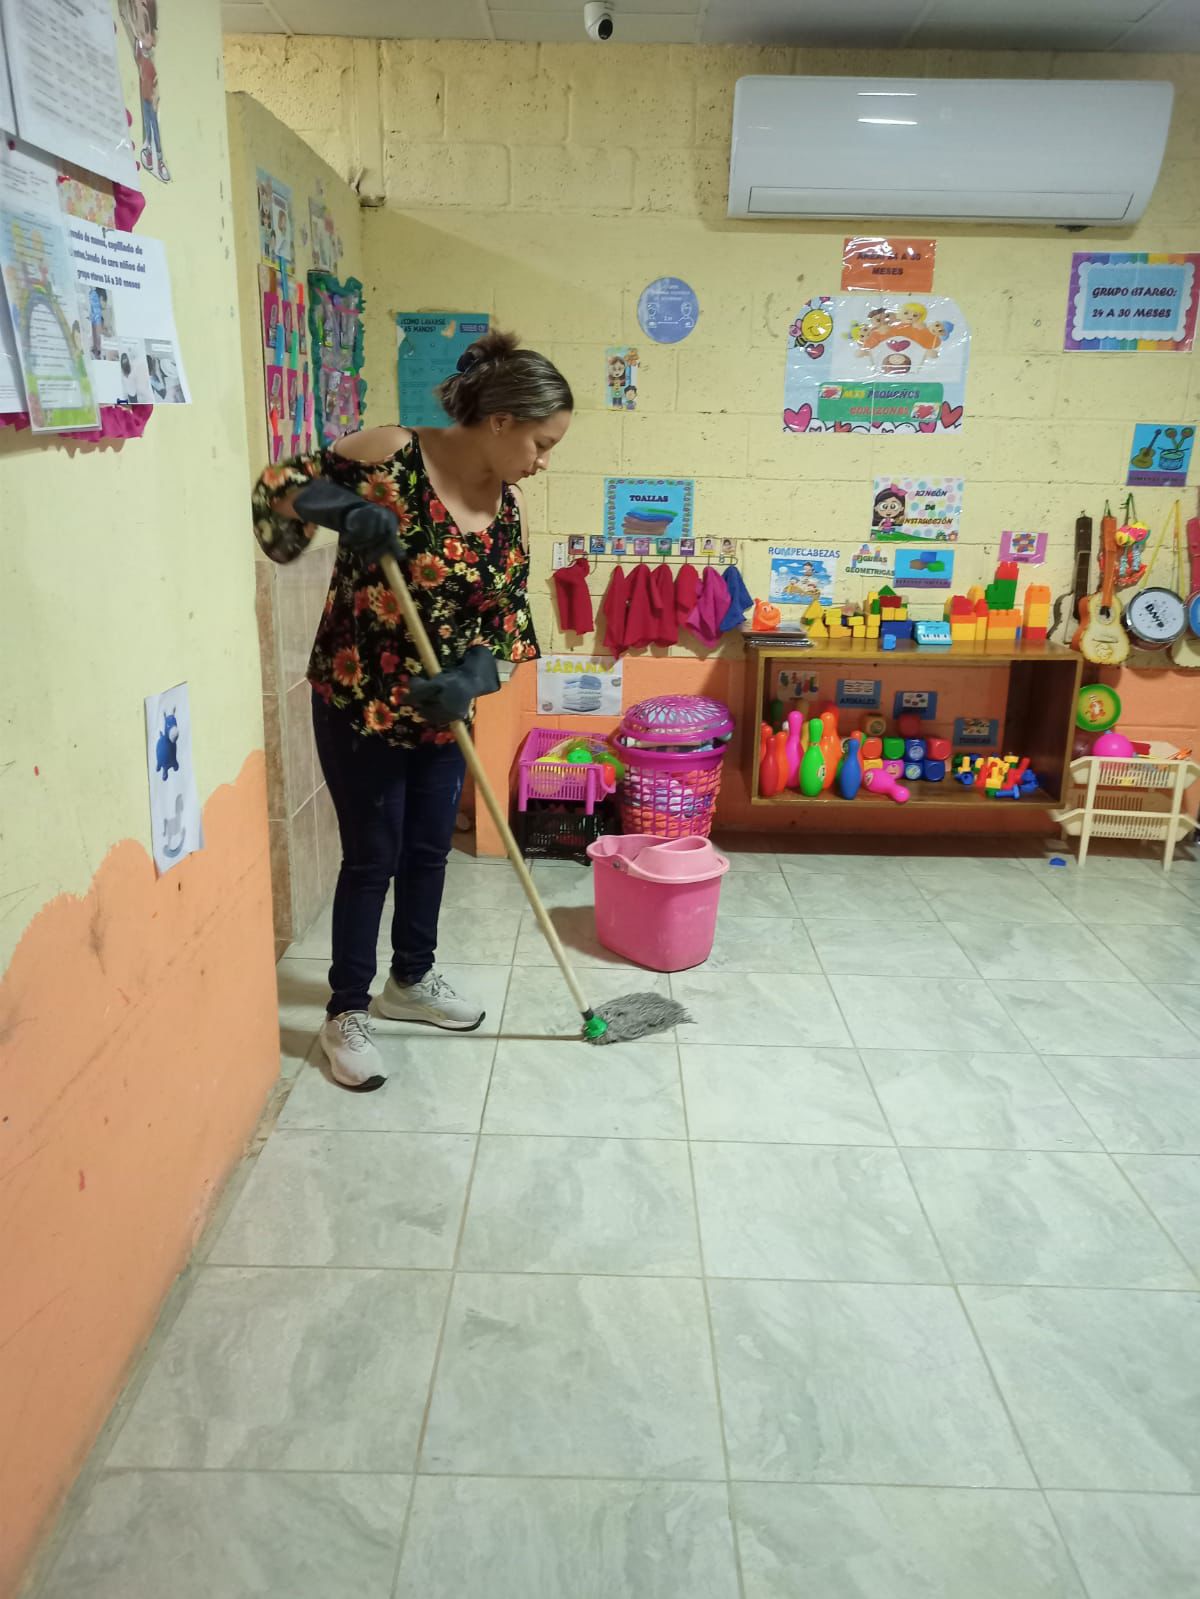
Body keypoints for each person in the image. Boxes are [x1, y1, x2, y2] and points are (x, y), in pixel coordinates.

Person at [252, 330, 573, 1088]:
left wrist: (471, 679)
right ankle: (345, 1011)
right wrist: (338, 506)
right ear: (500, 420)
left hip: (439, 712)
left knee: (428, 850)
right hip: (358, 700)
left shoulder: (510, 512)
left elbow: (505, 623)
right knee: (373, 855)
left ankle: (411, 979)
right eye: (541, 442)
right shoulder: (391, 451)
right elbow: (276, 491)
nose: (542, 461)